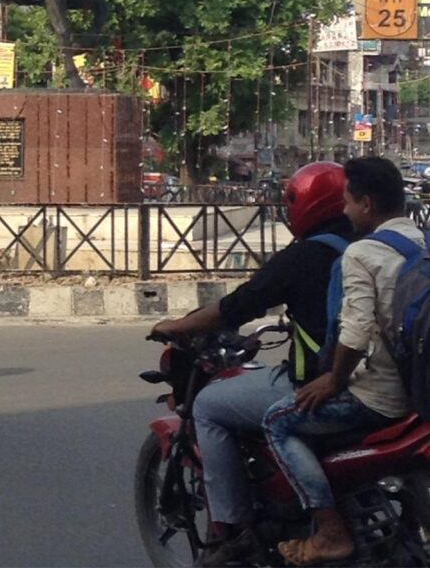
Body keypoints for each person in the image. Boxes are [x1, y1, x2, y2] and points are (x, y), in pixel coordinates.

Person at [151, 162, 353, 567]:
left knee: (209, 406)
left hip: (326, 383)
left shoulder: (304, 257)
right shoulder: (371, 243)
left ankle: (235, 529)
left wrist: (179, 325)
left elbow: (235, 308)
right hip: (388, 378)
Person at [263, 156, 423, 566]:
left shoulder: (363, 253)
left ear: (367, 204)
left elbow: (355, 330)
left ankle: (330, 532)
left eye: (348, 202)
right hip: (417, 388)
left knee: (278, 421)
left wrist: (333, 380)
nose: (345, 211)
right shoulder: (422, 242)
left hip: (379, 396)